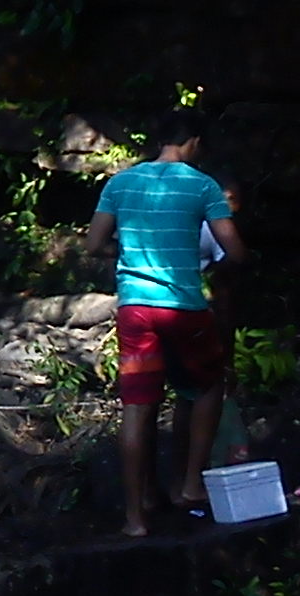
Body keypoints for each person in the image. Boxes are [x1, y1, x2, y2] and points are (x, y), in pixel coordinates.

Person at [83, 110, 247, 538]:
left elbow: (92, 243)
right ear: (192, 142)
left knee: (138, 408)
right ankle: (190, 484)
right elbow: (235, 250)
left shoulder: (120, 183)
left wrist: (126, 261)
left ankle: (135, 518)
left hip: (135, 307)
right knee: (209, 385)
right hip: (183, 306)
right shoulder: (202, 184)